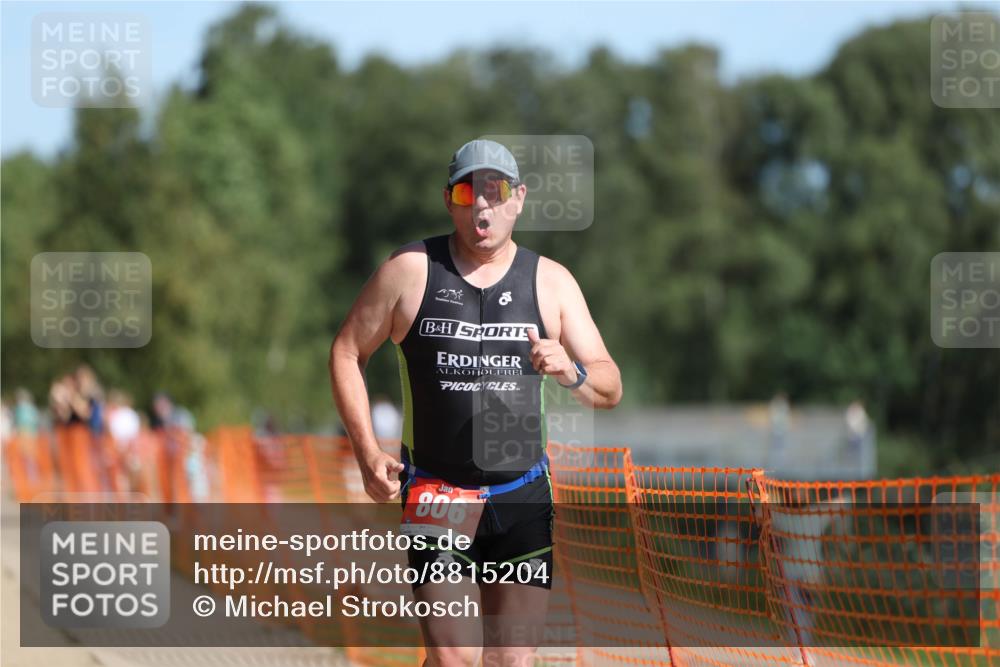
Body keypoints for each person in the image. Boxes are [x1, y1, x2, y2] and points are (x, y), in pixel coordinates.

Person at [329, 139, 622, 667]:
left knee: (511, 661)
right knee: (457, 659)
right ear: (449, 200)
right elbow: (347, 351)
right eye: (468, 192)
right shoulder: (411, 270)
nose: (482, 204)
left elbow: (608, 386)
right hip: (438, 492)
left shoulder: (551, 281)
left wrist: (570, 371)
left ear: (519, 199)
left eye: (496, 190)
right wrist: (367, 453)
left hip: (522, 495)